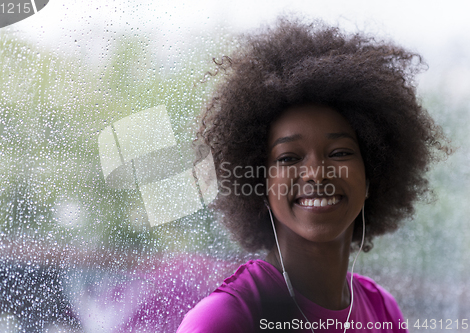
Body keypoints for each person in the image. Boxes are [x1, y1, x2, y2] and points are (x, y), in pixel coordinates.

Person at [177, 17, 450, 332]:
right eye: (289, 157)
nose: (316, 174)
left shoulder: (382, 310)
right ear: (259, 184)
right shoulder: (226, 318)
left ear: (372, 174)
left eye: (339, 153)